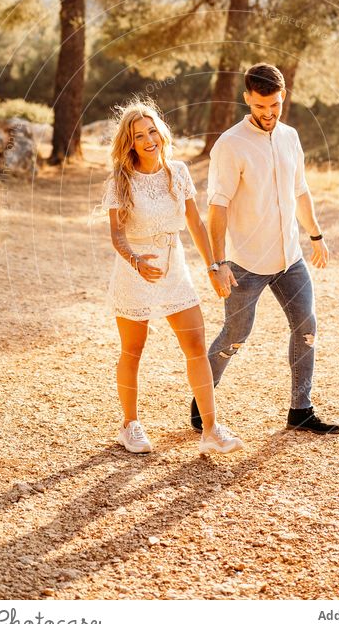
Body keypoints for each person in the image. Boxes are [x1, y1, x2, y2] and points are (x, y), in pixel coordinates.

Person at [190, 63, 339, 435]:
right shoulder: (230, 144)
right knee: (236, 335)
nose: (268, 114)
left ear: (282, 97)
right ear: (247, 100)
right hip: (245, 262)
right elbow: (218, 207)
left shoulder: (290, 136)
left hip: (289, 258)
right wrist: (217, 263)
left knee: (306, 326)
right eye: (260, 107)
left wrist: (316, 236)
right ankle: (203, 399)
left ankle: (300, 409)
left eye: (274, 105)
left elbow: (300, 190)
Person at [100, 98, 244, 455]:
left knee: (195, 346)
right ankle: (129, 425)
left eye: (152, 131)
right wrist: (135, 261)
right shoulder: (121, 180)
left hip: (174, 267)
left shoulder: (177, 172)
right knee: (133, 350)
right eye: (139, 135)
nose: (149, 139)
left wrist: (214, 266)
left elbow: (195, 223)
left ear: (161, 132)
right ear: (129, 143)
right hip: (136, 271)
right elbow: (117, 235)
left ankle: (210, 429)